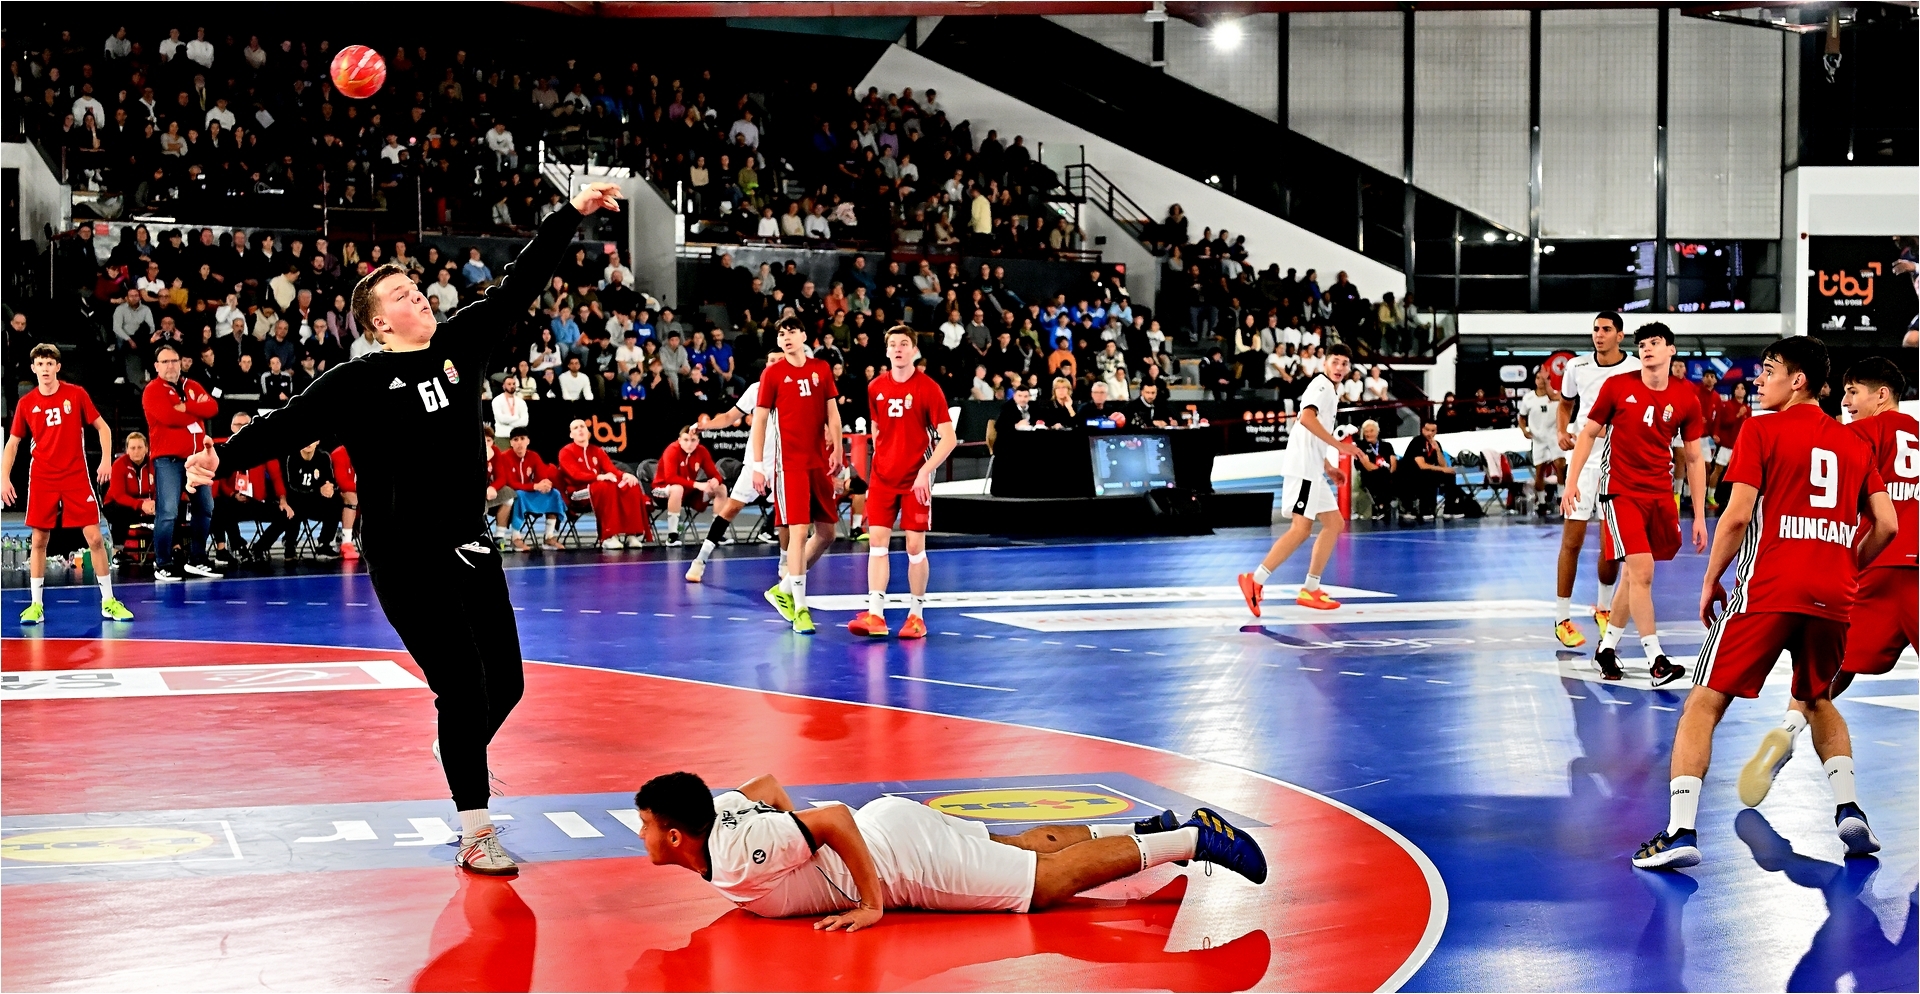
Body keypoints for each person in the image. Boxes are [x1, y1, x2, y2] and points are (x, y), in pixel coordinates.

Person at [186, 181, 625, 877]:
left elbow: (522, 280)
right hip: (405, 557)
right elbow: (288, 423)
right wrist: (223, 456)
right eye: (401, 295)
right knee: (462, 686)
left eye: (417, 289)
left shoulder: (460, 345)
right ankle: (476, 829)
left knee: (505, 685)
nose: (418, 296)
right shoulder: (355, 382)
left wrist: (572, 213)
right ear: (377, 324)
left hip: (471, 546)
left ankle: (458, 746)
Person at [1633, 337, 1897, 870]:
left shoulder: (1761, 429)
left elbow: (1735, 517)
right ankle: (1849, 808)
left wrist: (1711, 579)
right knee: (1818, 699)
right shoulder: (1853, 443)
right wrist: (1847, 567)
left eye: (1769, 369)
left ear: (1797, 380)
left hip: (1770, 589)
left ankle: (1680, 831)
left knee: (1703, 704)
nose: (1758, 379)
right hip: (1834, 596)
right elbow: (1887, 524)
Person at [631, 770, 1266, 929]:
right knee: (1020, 845)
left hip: (905, 863)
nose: (641, 832)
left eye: (646, 824)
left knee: (1042, 883)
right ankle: (1153, 831)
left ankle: (1195, 837)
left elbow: (835, 819)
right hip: (894, 824)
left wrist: (871, 902)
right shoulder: (722, 812)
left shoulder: (741, 852)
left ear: (677, 835)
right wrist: (810, 855)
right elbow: (768, 788)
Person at [1735, 357, 1917, 809]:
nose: (1847, 401)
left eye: (1854, 392)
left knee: (1833, 668)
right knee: (1838, 665)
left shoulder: (1860, 434)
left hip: (1875, 567)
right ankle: (1792, 732)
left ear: (1882, 395)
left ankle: (1789, 729)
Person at [1561, 323, 1706, 686]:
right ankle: (1656, 659)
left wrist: (1700, 515)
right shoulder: (1617, 386)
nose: (1647, 349)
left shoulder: (1686, 398)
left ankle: (1606, 648)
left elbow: (1694, 459)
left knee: (1631, 575)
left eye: (1655, 343)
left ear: (1671, 350)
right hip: (1620, 491)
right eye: (1642, 344)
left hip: (1659, 495)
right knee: (1642, 571)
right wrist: (1571, 482)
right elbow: (1587, 434)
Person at [3, 345, 133, 623]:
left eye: (50, 363)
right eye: (40, 364)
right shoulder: (26, 403)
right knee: (39, 540)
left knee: (95, 538)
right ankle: (36, 605)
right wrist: (3, 478)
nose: (45, 368)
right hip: (43, 477)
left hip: (75, 475)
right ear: (33, 368)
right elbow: (12, 444)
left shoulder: (76, 394)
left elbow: (103, 428)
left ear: (58, 367)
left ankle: (109, 601)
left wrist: (106, 460)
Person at [1237, 343, 1364, 615]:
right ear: (1325, 363)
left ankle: (1311, 588)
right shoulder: (1321, 386)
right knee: (1301, 529)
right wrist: (1339, 446)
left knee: (1334, 523)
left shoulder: (1330, 390)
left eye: (1344, 363)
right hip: (1304, 469)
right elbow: (1306, 419)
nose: (1339, 367)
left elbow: (1309, 435)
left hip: (1313, 469)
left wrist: (1328, 466)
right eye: (1335, 361)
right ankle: (1254, 580)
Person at [849, 328, 958, 640]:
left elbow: (948, 438)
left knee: (914, 547)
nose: (898, 349)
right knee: (877, 544)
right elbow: (876, 426)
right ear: (886, 351)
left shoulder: (928, 388)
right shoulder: (875, 387)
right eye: (893, 344)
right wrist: (878, 462)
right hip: (883, 476)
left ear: (914, 351)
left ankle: (916, 616)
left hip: (915, 477)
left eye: (904, 344)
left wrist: (925, 472)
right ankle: (875, 614)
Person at [1551, 312, 1641, 648]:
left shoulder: (1634, 369)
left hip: (1618, 461)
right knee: (1572, 540)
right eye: (1595, 329)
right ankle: (1561, 618)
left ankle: (1603, 608)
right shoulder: (1577, 366)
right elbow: (1565, 404)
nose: (1599, 335)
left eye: (1606, 329)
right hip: (1584, 460)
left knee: (1610, 544)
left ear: (1620, 335)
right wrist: (1562, 431)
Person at [752, 317, 843, 634]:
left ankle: (784, 589)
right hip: (789, 464)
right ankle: (801, 608)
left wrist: (838, 447)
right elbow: (760, 421)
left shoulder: (821, 369)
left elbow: (832, 413)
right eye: (781, 334)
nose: (786, 337)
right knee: (799, 532)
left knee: (827, 534)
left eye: (792, 332)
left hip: (818, 462)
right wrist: (757, 465)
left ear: (804, 336)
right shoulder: (773, 373)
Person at [143, 342, 223, 580]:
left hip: (196, 459)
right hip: (168, 460)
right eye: (165, 361)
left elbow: (212, 408)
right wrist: (196, 412)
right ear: (157, 366)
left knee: (205, 508)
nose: (171, 366)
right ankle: (163, 563)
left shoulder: (192, 385)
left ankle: (197, 559)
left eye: (174, 361)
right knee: (168, 511)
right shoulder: (152, 390)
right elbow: (169, 417)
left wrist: (186, 406)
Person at [559, 418, 649, 549]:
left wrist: (624, 475)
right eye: (575, 428)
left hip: (599, 487)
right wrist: (599, 477)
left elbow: (610, 468)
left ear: (588, 432)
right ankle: (609, 536)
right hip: (578, 493)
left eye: (582, 426)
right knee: (606, 486)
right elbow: (575, 475)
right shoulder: (566, 452)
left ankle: (632, 534)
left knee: (630, 485)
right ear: (571, 435)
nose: (580, 430)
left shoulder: (597, 450)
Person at [250, 441, 342, 560]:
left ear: (318, 442)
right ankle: (284, 546)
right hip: (295, 500)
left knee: (334, 502)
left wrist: (330, 488)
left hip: (315, 502)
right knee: (291, 510)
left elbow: (330, 481)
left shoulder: (323, 457)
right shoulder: (291, 457)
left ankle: (324, 544)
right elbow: (292, 486)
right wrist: (318, 490)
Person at [488, 428, 564, 551]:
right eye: (515, 439)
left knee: (554, 493)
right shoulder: (504, 457)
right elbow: (510, 483)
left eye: (522, 439)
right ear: (511, 443)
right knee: (518, 495)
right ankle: (516, 538)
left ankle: (549, 537)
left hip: (529, 492)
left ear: (528, 441)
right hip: (517, 493)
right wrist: (535, 486)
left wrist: (545, 483)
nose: (519, 442)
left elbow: (542, 476)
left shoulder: (534, 456)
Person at [653, 425, 727, 546]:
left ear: (698, 441)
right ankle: (672, 536)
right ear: (679, 440)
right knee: (677, 488)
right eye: (686, 440)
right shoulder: (672, 450)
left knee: (721, 488)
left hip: (688, 491)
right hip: (662, 489)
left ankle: (716, 534)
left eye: (693, 440)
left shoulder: (701, 451)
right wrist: (696, 484)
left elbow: (716, 474)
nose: (689, 444)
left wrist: (715, 480)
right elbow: (670, 478)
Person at [1516, 365, 1566, 517]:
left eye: (1544, 378)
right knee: (1540, 471)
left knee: (1560, 466)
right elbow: (1521, 418)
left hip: (1554, 436)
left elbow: (1565, 413)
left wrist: (1563, 430)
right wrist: (1524, 431)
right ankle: (1542, 502)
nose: (1541, 381)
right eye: (1538, 378)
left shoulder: (1556, 396)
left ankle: (1561, 497)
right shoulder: (1529, 398)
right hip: (1538, 438)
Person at [103, 431, 157, 553]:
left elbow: (159, 489)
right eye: (132, 448)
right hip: (118, 504)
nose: (136, 451)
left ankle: (173, 548)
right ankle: (117, 551)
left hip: (147, 504)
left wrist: (153, 503)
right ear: (127, 450)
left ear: (146, 449)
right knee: (121, 512)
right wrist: (141, 505)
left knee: (168, 510)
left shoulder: (154, 464)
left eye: (140, 447)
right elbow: (119, 495)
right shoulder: (119, 464)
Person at [1353, 419, 1396, 520]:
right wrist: (1383, 471)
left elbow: (1393, 462)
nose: (1368, 434)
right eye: (1366, 432)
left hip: (1387, 475)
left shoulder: (1386, 445)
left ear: (1377, 431)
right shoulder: (1360, 446)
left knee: (1394, 477)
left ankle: (1384, 506)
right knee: (1381, 476)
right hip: (1368, 475)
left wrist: (1389, 473)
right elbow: (1367, 465)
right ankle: (1382, 506)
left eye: (1371, 431)